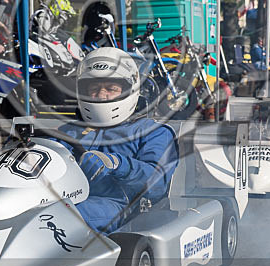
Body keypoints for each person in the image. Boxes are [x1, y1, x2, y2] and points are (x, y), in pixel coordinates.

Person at [53, 47, 179, 233]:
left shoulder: (153, 132)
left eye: (111, 89)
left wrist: (117, 164)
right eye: (94, 89)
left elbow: (157, 184)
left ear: (130, 89)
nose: (102, 95)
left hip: (120, 206)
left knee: (61, 219)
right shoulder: (69, 131)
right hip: (60, 198)